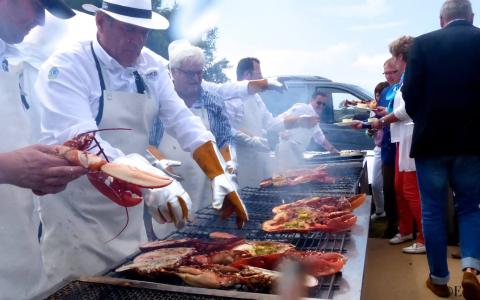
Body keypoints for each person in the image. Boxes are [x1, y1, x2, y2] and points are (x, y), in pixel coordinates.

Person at [35, 0, 247, 288]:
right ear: (100, 22)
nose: (136, 41)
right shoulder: (67, 66)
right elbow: (82, 140)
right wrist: (153, 180)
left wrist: (218, 173)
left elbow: (182, 119)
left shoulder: (152, 66)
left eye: (143, 32)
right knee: (81, 289)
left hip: (128, 211)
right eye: (128, 30)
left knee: (128, 285)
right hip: (77, 214)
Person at [0, 1, 83, 298]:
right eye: (37, 6)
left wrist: (49, 168)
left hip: (23, 263)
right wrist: (8, 168)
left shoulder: (16, 63)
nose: (41, 21)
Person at [402, 0, 480, 298]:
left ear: (441, 19)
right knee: (470, 207)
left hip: (430, 141)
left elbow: (409, 93)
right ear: (471, 17)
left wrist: (425, 117)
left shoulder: (421, 44)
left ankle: (438, 278)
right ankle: (471, 267)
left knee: (433, 211)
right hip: (473, 142)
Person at [150, 40, 235, 237]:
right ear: (174, 72)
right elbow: (149, 145)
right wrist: (161, 163)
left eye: (200, 73)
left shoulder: (213, 102)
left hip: (206, 186)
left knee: (204, 240)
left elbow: (225, 141)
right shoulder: (158, 102)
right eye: (191, 73)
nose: (197, 79)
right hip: (170, 187)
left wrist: (228, 168)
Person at [371, 36, 425, 254]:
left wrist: (382, 120)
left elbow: (407, 110)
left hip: (411, 139)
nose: (394, 64)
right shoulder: (406, 80)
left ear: (401, 57)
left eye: (395, 59)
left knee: (412, 191)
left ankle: (424, 238)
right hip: (400, 140)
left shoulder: (413, 77)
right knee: (399, 189)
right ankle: (405, 230)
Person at [224, 57, 316, 186]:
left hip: (260, 160)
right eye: (259, 74)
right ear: (246, 75)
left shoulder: (256, 98)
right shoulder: (231, 98)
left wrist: (298, 121)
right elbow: (228, 130)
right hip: (241, 163)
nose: (262, 78)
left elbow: (271, 124)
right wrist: (252, 140)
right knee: (246, 198)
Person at [275, 91, 338, 172]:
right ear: (311, 100)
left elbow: (320, 138)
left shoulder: (314, 117)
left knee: (296, 178)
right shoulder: (302, 108)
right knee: (286, 177)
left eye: (323, 104)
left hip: (298, 154)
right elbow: (280, 120)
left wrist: (333, 150)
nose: (321, 106)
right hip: (287, 151)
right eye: (318, 103)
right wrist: (281, 132)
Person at [369, 81, 389, 221]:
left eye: (380, 96)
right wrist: (370, 130)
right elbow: (370, 133)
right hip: (378, 148)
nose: (378, 99)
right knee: (376, 183)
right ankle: (380, 211)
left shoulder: (391, 108)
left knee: (392, 184)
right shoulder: (373, 110)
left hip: (391, 149)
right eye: (377, 96)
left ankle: (394, 214)